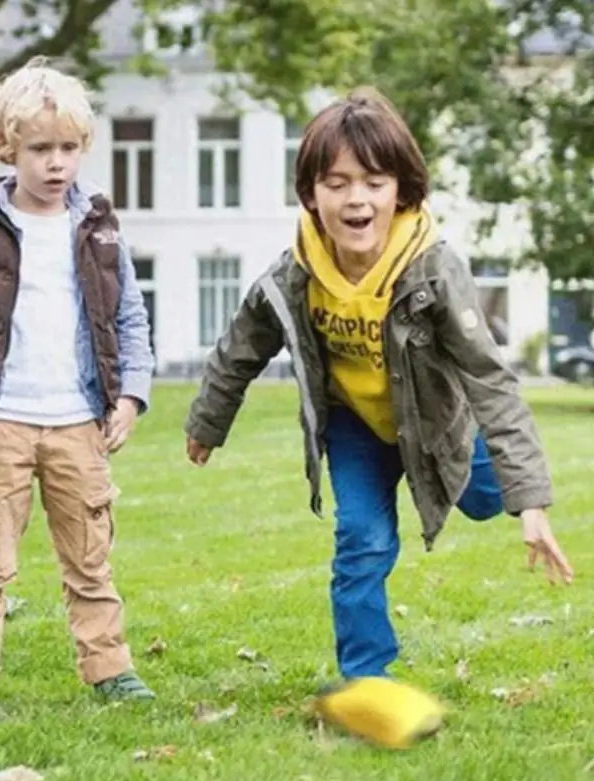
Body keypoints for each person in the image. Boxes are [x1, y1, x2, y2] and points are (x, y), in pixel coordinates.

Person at [184, 87, 574, 682]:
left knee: (486, 500)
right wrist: (208, 422)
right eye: (336, 183)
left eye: (373, 181)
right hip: (356, 426)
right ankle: (367, 679)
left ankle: (495, 487)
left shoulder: (433, 270)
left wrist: (532, 502)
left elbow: (489, 379)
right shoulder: (294, 274)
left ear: (402, 191)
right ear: (312, 195)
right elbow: (241, 347)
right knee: (361, 541)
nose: (355, 198)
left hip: (438, 419)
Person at [0, 58, 156, 717]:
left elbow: (130, 315)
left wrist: (131, 395)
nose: (56, 163)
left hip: (80, 421)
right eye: (40, 148)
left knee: (90, 560)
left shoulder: (99, 227)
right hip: (1, 421)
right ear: (8, 147)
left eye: (68, 148)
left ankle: (111, 669)